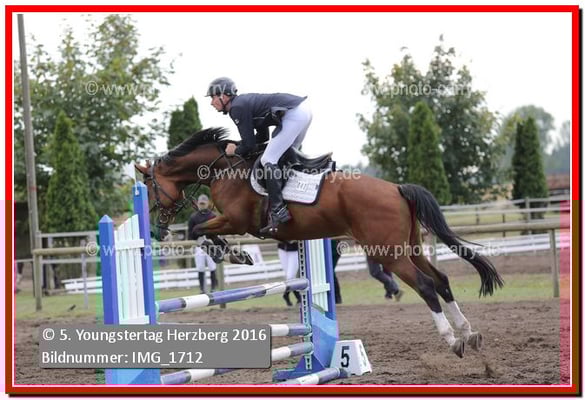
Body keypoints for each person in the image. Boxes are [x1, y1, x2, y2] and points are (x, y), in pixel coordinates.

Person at [206, 77, 312, 234]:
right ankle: (297, 199)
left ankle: (278, 211)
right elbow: (262, 137)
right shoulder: (243, 103)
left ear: (224, 95)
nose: (211, 102)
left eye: (213, 97)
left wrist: (234, 150)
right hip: (301, 112)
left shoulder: (237, 108)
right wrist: (239, 145)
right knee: (284, 157)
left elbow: (249, 146)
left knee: (268, 159)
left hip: (294, 115)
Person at [188, 194, 218, 294]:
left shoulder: (213, 216)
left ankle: (213, 288)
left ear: (208, 203)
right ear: (198, 204)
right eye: (200, 204)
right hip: (199, 245)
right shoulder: (193, 217)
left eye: (204, 204)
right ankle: (202, 289)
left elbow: (217, 231)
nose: (202, 205)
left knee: (212, 266)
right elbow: (190, 234)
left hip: (211, 244)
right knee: (200, 268)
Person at [278, 241, 302, 307]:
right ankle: (298, 298)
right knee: (290, 278)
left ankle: (286, 294)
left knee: (290, 277)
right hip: (282, 249)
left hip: (294, 249)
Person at [330, 239, 343, 305]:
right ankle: (337, 299)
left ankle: (337, 299)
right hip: (334, 248)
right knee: (331, 273)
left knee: (330, 273)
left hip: (333, 248)